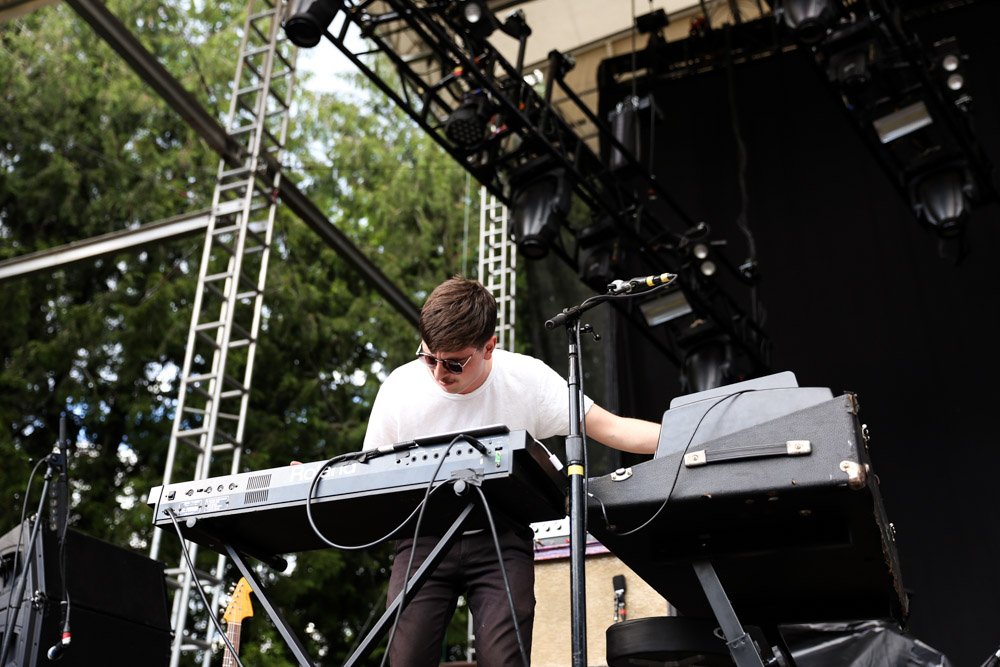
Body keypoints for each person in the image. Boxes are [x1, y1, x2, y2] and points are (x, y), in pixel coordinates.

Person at [363, 275, 661, 666]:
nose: (438, 373)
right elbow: (367, 473)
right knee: (406, 660)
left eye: (453, 363)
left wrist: (691, 436)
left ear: (489, 347)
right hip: (423, 538)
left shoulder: (527, 378)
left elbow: (614, 429)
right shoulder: (400, 387)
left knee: (504, 660)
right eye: (429, 357)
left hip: (501, 539)